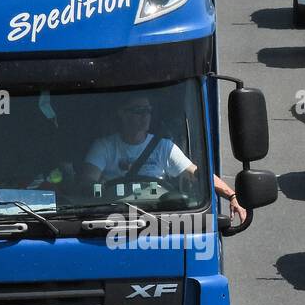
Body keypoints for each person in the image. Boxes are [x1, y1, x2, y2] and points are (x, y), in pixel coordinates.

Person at [79, 95, 247, 222]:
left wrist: (232, 196)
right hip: (114, 216)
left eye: (148, 111)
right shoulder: (104, 146)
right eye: (138, 111)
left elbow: (195, 172)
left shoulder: (163, 146)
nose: (145, 116)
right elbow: (87, 181)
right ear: (121, 114)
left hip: (157, 217)